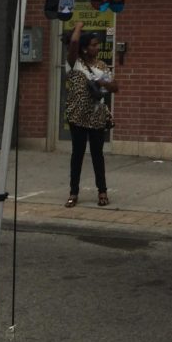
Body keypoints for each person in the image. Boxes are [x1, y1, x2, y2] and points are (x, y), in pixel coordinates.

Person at [64, 21, 118, 207]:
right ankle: (73, 192)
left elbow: (115, 87)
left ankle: (102, 191)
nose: (97, 48)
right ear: (85, 48)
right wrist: (78, 28)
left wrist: (104, 83)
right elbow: (73, 44)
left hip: (97, 116)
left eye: (98, 44)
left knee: (97, 155)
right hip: (78, 115)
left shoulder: (102, 66)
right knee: (77, 155)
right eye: (94, 45)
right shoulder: (74, 63)